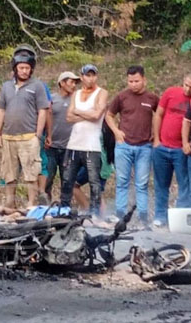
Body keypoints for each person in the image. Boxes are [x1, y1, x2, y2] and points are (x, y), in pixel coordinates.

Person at [0, 49, 50, 207]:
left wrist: (38, 135)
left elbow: (43, 111)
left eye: (27, 68)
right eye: (21, 68)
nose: (24, 71)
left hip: (29, 137)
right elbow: (1, 110)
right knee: (9, 173)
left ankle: (31, 203)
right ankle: (9, 203)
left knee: (31, 173)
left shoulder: (37, 86)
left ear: (31, 69)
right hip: (8, 137)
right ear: (15, 68)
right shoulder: (6, 86)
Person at [104, 65, 159, 224]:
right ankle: (120, 214)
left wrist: (156, 134)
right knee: (122, 181)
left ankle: (143, 217)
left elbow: (160, 114)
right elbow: (109, 115)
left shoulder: (152, 98)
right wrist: (116, 131)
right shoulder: (122, 97)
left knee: (142, 184)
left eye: (136, 81)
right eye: (130, 81)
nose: (133, 84)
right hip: (124, 145)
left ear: (144, 80)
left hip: (144, 146)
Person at [61, 64, 108, 217]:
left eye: (93, 75)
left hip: (92, 145)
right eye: (87, 75)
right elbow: (68, 117)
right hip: (74, 143)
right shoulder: (76, 94)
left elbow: (97, 116)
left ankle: (94, 214)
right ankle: (64, 211)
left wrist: (78, 111)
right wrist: (88, 112)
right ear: (81, 77)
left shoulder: (101, 93)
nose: (90, 78)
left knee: (94, 183)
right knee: (67, 180)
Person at [152, 74, 191, 228]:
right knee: (161, 184)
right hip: (162, 147)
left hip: (181, 150)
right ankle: (160, 216)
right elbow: (159, 115)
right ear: (183, 82)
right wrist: (156, 139)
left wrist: (186, 144)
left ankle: (180, 219)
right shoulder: (171, 93)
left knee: (184, 185)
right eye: (186, 85)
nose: (188, 89)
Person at [45, 71, 80, 199]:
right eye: (71, 82)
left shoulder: (77, 100)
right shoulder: (51, 99)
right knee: (47, 179)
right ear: (62, 83)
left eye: (75, 82)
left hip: (69, 147)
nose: (74, 85)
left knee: (67, 180)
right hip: (51, 146)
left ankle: (65, 207)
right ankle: (45, 207)